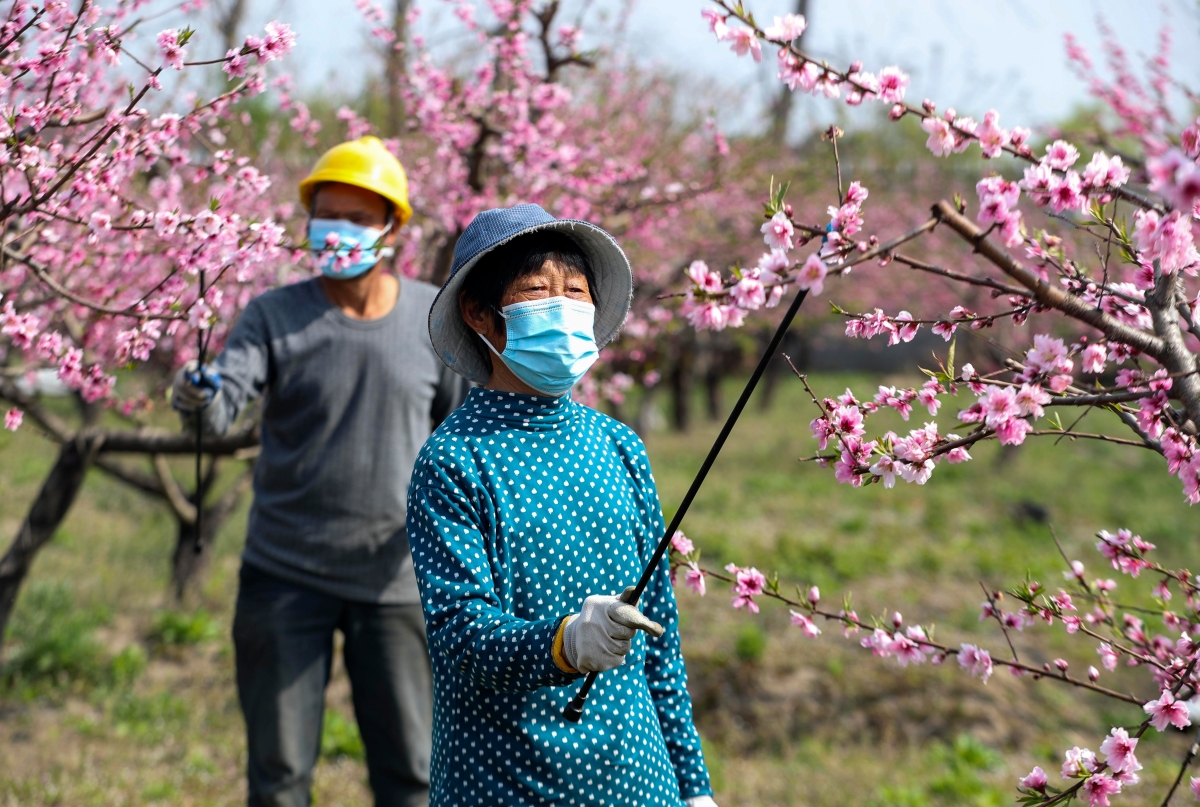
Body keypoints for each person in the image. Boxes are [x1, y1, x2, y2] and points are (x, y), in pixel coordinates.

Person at [171, 136, 467, 807]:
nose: (339, 229)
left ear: (393, 228)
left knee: (414, 775)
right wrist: (195, 396)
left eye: (359, 218)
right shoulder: (273, 315)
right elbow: (220, 412)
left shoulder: (433, 321)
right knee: (278, 778)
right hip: (284, 576)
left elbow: (460, 439)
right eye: (326, 213)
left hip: (396, 581)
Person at [406, 203, 719, 806]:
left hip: (637, 775)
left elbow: (659, 630)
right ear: (479, 313)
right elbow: (458, 632)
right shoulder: (454, 461)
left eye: (576, 292)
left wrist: (693, 783)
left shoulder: (620, 445)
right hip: (506, 780)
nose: (563, 307)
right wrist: (565, 641)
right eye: (535, 291)